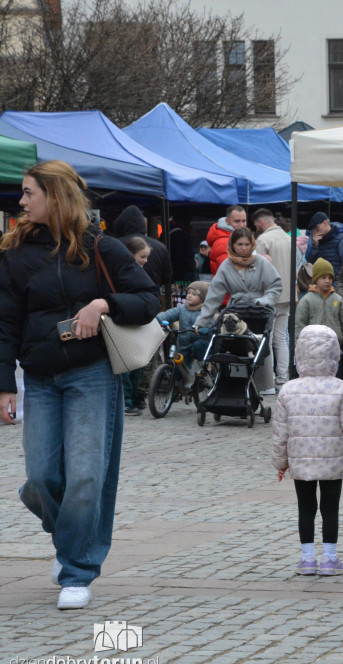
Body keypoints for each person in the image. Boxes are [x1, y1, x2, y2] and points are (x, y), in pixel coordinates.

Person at [0, 160, 160, 610]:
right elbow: (4, 324)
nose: (22, 200)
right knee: (41, 478)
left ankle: (77, 569)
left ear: (56, 196)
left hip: (92, 374)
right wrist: (3, 385)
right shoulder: (14, 254)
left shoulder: (103, 247)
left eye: (30, 192)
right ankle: (71, 536)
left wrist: (103, 303)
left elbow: (148, 299)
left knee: (88, 475)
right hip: (40, 376)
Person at [272, 325, 343, 576]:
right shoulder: (341, 388)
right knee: (330, 508)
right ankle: (330, 559)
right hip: (332, 460)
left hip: (300, 459)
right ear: (334, 355)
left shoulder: (288, 389)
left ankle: (307, 559)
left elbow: (280, 432)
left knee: (305, 508)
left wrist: (281, 463)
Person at [195, 227, 283, 394]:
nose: (244, 248)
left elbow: (275, 286)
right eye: (239, 244)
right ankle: (232, 387)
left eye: (247, 244)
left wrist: (264, 301)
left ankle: (263, 387)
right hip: (236, 311)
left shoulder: (262, 262)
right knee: (233, 345)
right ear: (232, 245)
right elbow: (214, 295)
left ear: (253, 245)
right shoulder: (226, 266)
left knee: (261, 344)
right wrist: (202, 320)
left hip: (259, 311)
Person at [254, 207, 301, 390]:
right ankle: (283, 379)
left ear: (261, 223)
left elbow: (258, 271)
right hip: (288, 294)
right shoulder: (290, 239)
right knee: (280, 338)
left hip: (270, 296)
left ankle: (269, 382)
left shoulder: (263, 240)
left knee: (269, 337)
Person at [120, 236, 155, 417]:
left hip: (138, 324)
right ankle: (126, 402)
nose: (145, 260)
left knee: (137, 366)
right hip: (125, 325)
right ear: (131, 254)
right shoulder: (124, 273)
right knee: (126, 367)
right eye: (142, 256)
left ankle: (132, 400)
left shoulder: (140, 272)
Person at [156, 281, 211, 387]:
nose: (189, 296)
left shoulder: (206, 311)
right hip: (184, 343)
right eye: (188, 293)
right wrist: (156, 319)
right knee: (178, 367)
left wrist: (205, 330)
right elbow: (169, 314)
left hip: (199, 341)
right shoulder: (182, 308)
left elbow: (211, 323)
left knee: (198, 346)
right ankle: (177, 387)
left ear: (202, 299)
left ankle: (203, 371)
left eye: (194, 294)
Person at [295, 258, 343, 352]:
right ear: (315, 279)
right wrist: (299, 345)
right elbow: (300, 324)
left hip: (335, 347)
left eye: (330, 277)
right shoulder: (307, 300)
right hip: (312, 348)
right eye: (323, 278)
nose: (327, 281)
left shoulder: (337, 300)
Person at [109, 205, 172, 290]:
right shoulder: (160, 247)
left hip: (123, 298)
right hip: (152, 297)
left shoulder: (114, 245)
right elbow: (167, 277)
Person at [305, 211, 343, 280]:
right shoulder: (316, 241)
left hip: (336, 285)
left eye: (316, 227)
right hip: (319, 285)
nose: (314, 231)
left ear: (325, 223)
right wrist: (315, 247)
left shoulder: (341, 239)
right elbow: (309, 265)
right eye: (313, 229)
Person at [207, 205, 247, 275]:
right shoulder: (224, 242)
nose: (241, 225)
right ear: (227, 221)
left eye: (244, 221)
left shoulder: (234, 238)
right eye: (237, 221)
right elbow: (229, 270)